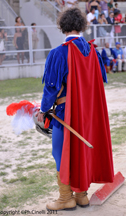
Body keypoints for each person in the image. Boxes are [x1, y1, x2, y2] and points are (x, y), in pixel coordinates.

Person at [36, 8, 114, 211]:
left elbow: (51, 88)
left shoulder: (58, 53)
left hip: (65, 115)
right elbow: (99, 83)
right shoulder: (93, 52)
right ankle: (81, 195)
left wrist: (43, 109)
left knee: (60, 153)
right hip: (88, 115)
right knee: (80, 152)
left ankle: (66, 198)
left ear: (62, 27)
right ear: (81, 26)